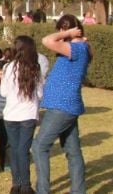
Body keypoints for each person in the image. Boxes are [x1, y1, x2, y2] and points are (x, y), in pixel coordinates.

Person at [32, 15, 92, 194]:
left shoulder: (77, 48)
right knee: (73, 151)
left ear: (71, 29)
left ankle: (43, 191)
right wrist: (69, 33)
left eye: (61, 30)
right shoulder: (78, 47)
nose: (59, 34)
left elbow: (46, 40)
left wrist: (68, 33)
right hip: (66, 105)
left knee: (39, 146)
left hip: (62, 106)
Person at [0, 36, 43, 193]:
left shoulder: (8, 67)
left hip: (11, 114)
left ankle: (16, 183)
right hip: (28, 114)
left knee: (14, 149)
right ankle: (25, 185)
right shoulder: (34, 68)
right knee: (23, 150)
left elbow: (3, 92)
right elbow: (39, 94)